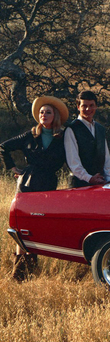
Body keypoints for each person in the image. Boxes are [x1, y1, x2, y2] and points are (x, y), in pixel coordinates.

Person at [0, 96, 69, 281]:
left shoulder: (63, 137)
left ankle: (32, 267)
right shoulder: (30, 135)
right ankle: (19, 272)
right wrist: (13, 168)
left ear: (55, 116)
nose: (43, 115)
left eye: (48, 112)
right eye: (41, 112)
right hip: (27, 183)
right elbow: (4, 147)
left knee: (39, 224)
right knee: (22, 224)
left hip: (48, 184)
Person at [64, 90, 110, 188]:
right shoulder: (72, 129)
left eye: (91, 105)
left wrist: (108, 178)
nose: (88, 109)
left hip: (100, 183)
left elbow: (106, 157)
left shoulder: (100, 129)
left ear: (96, 106)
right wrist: (89, 178)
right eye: (84, 106)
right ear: (78, 107)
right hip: (79, 184)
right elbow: (73, 161)